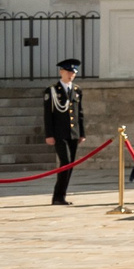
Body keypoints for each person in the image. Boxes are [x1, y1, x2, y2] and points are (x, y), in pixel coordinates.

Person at [44, 59, 84, 206]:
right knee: (65, 162)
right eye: (68, 72)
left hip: (73, 133)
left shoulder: (76, 90)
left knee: (70, 164)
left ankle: (62, 195)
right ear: (61, 72)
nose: (71, 75)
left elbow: (80, 113)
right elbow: (48, 114)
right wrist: (49, 134)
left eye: (73, 73)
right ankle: (58, 196)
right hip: (59, 133)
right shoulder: (52, 91)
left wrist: (82, 133)